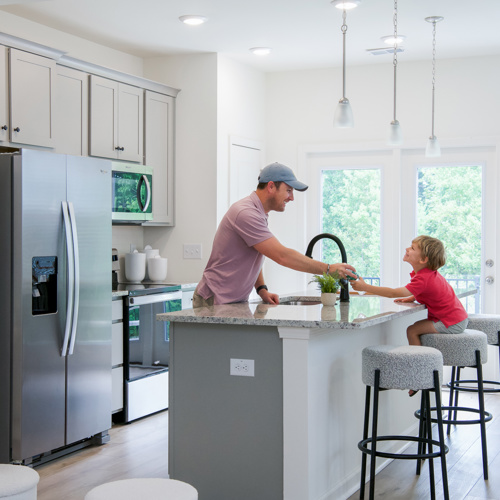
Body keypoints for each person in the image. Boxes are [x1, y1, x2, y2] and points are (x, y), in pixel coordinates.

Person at [193, 162, 357, 307]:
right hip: (214, 300)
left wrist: (261, 289)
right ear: (271, 186)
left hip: (232, 300)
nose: (291, 198)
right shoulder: (246, 213)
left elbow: (255, 253)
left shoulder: (258, 213)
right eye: (288, 190)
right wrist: (328, 269)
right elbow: (282, 256)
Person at [351, 235, 468, 346]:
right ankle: (423, 359)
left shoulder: (423, 278)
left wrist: (365, 287)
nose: (407, 249)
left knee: (412, 330)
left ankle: (419, 364)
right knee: (415, 327)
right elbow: (430, 292)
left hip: (452, 323)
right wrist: (412, 297)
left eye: (412, 248)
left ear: (423, 259)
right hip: (457, 319)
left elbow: (393, 293)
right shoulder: (427, 275)